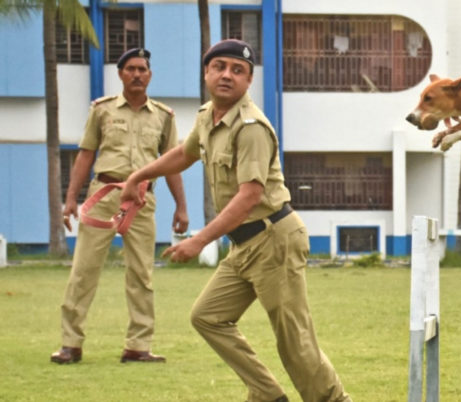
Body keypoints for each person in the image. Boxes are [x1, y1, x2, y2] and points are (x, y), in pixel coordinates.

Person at [120, 39, 351, 402]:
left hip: (274, 238)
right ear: (207, 72)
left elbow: (250, 196)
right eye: (219, 67)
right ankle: (267, 394)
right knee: (207, 316)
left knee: (296, 345)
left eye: (237, 70)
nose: (227, 75)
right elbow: (183, 153)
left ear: (248, 81)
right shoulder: (207, 116)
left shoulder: (251, 127)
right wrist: (137, 177)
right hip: (245, 244)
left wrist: (199, 240)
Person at [51, 48, 189, 364]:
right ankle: (70, 345)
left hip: (142, 199)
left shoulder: (163, 116)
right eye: (130, 69)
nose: (137, 74)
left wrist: (181, 207)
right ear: (121, 74)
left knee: (142, 273)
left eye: (142, 69)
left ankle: (138, 346)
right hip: (104, 195)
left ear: (150, 75)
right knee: (83, 270)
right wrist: (71, 198)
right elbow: (85, 154)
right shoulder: (102, 110)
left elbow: (172, 164)